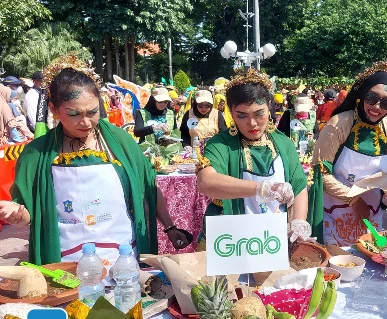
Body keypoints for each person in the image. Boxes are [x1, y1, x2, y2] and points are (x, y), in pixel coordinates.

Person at [0, 59, 190, 267]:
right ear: (54, 109)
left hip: (123, 257)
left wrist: (170, 227)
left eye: (92, 112)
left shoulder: (121, 142)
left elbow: (148, 187)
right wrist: (19, 216)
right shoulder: (35, 155)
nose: (86, 122)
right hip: (65, 262)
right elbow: (32, 214)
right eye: (74, 114)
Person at [195, 68, 311, 245]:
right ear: (231, 113)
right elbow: (206, 182)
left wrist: (299, 222)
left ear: (269, 107)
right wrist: (261, 189)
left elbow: (299, 186)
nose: (252, 123)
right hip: (232, 239)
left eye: (259, 114)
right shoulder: (221, 144)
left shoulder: (283, 143)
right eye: (241, 116)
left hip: (272, 239)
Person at [308, 61, 387, 246]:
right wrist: (353, 199)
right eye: (372, 97)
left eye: (386, 102)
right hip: (333, 214)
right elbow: (320, 172)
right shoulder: (339, 124)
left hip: (371, 215)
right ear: (362, 94)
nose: (377, 107)